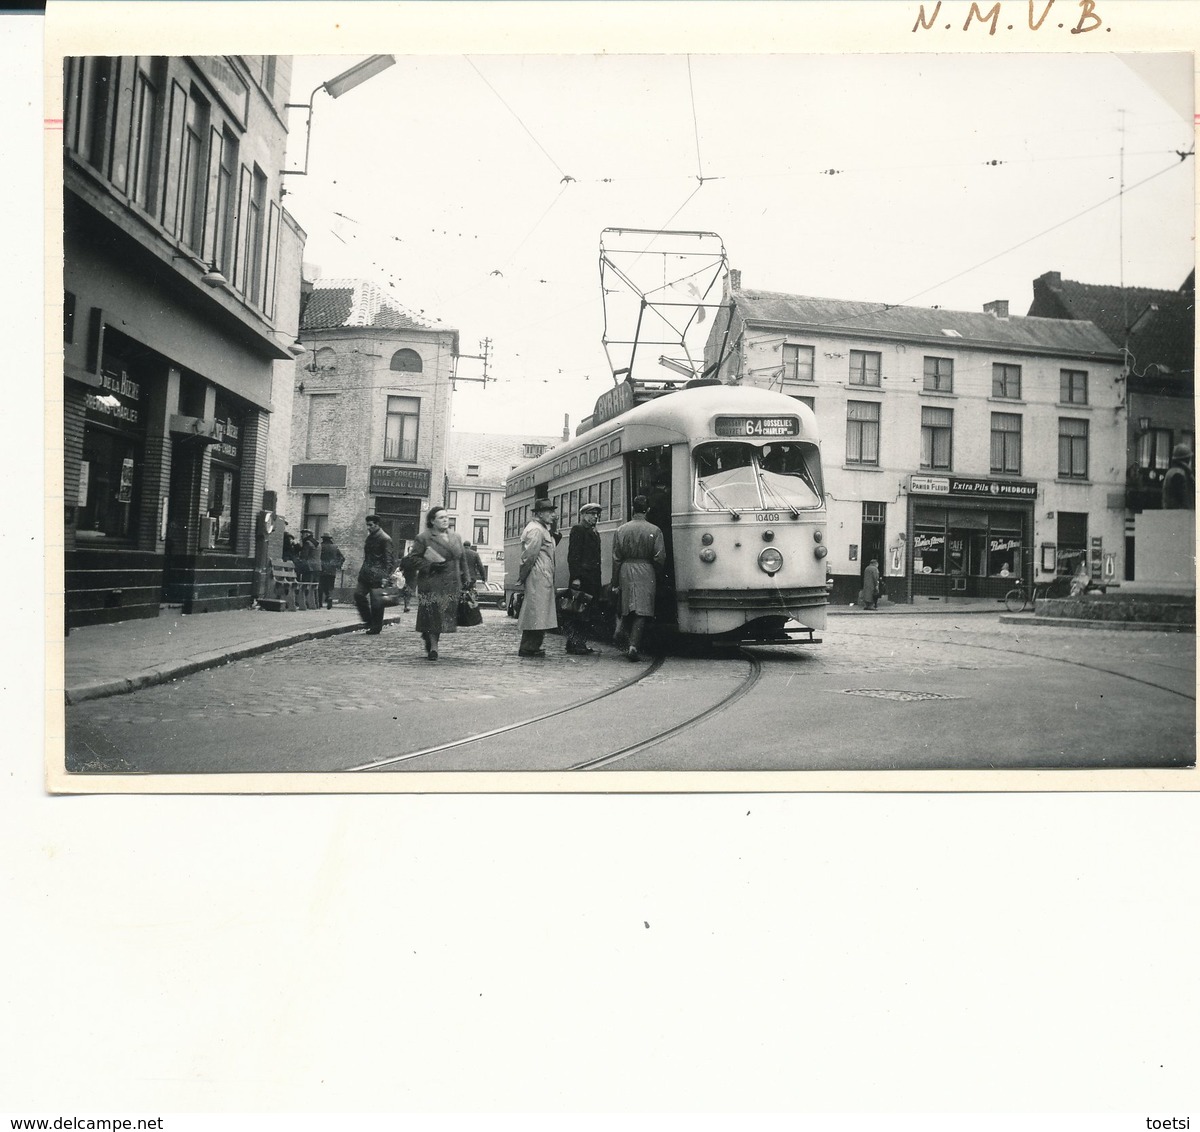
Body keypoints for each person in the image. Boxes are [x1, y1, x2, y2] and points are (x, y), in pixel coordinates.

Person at [404, 505, 472, 660]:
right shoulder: (424, 537)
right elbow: (413, 558)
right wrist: (430, 565)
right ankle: (434, 647)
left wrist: (467, 579)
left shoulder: (456, 537)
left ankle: (429, 636)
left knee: (441, 616)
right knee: (434, 615)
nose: (445, 520)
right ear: (432, 521)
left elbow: (462, 559)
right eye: (441, 517)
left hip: (451, 583)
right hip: (431, 582)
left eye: (447, 517)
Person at [611, 494, 666, 662]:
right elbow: (659, 557)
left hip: (626, 570)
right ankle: (633, 646)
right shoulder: (655, 530)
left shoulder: (621, 529)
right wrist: (656, 572)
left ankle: (620, 631)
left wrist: (615, 581)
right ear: (647, 510)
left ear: (633, 509)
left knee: (626, 605)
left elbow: (616, 558)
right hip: (646, 570)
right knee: (642, 610)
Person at [517, 498, 560, 658]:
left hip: (541, 575)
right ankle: (529, 647)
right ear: (540, 513)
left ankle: (532, 646)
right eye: (550, 512)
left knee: (538, 612)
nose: (553, 515)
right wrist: (522, 576)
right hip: (538, 576)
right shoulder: (536, 530)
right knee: (536, 612)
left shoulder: (541, 528)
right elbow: (529, 556)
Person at [565, 501, 603, 655]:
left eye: (596, 514)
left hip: (592, 579)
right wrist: (576, 577)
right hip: (582, 579)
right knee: (577, 613)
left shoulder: (594, 532)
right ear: (583, 515)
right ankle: (575, 644)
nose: (595, 517)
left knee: (585, 613)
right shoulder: (578, 530)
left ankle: (578, 643)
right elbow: (573, 556)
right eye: (592, 514)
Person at [353, 514, 396, 635]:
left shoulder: (385, 539)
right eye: (367, 525)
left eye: (370, 525)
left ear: (377, 525)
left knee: (377, 602)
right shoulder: (370, 537)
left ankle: (376, 626)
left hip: (377, 575)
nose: (368, 527)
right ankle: (368, 620)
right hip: (366, 573)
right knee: (358, 595)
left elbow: (389, 560)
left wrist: (385, 576)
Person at [1162, 443, 1194, 510]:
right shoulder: (1179, 474)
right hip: (1179, 514)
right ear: (1186, 459)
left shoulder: (1172, 471)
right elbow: (1182, 499)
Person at [318, 533, 345, 610]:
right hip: (332, 570)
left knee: (321, 586)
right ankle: (329, 596)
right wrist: (338, 565)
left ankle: (320, 603)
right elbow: (342, 558)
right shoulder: (335, 547)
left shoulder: (320, 546)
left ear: (323, 539)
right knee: (330, 586)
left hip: (322, 569)